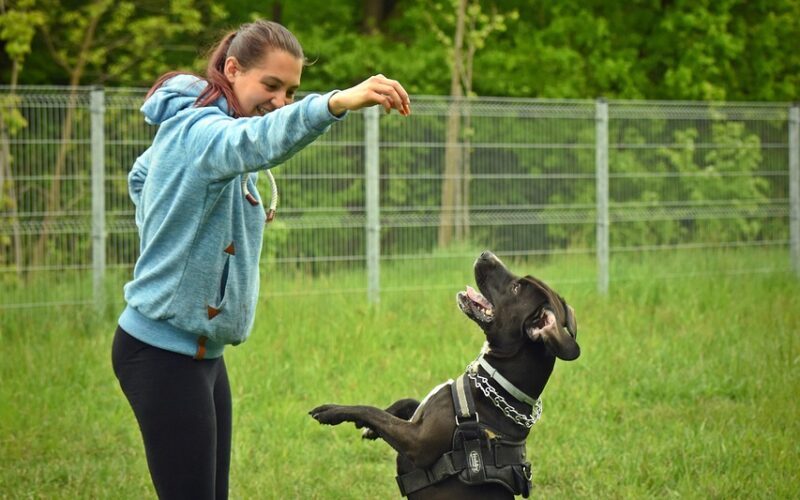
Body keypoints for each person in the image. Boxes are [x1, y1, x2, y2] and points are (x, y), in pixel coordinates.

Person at [111, 19, 410, 500]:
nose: (279, 101)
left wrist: (177, 234)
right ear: (232, 69)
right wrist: (334, 102)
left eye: (291, 91)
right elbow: (253, 143)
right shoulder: (204, 132)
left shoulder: (203, 128)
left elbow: (142, 175)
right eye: (270, 85)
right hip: (163, 353)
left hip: (203, 354)